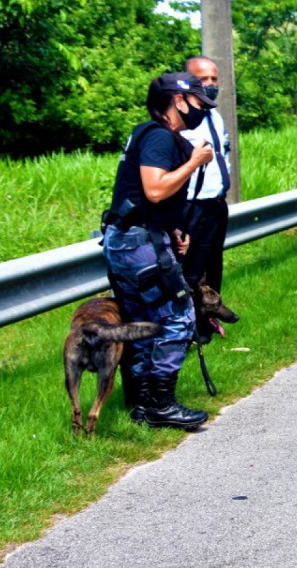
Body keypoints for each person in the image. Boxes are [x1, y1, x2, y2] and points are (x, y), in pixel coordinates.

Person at [102, 72, 216, 429]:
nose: (203, 111)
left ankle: (140, 405)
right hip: (138, 244)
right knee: (178, 316)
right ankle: (162, 404)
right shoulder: (158, 138)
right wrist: (194, 163)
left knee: (143, 323)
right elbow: (154, 190)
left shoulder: (148, 133)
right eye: (199, 103)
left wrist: (174, 228)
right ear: (178, 101)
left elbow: (144, 199)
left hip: (127, 238)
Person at [178, 56, 233, 297]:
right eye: (203, 79)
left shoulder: (215, 116)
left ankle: (208, 326)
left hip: (216, 206)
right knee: (191, 273)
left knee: (213, 271)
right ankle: (188, 328)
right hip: (192, 208)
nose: (210, 84)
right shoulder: (182, 121)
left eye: (214, 78)